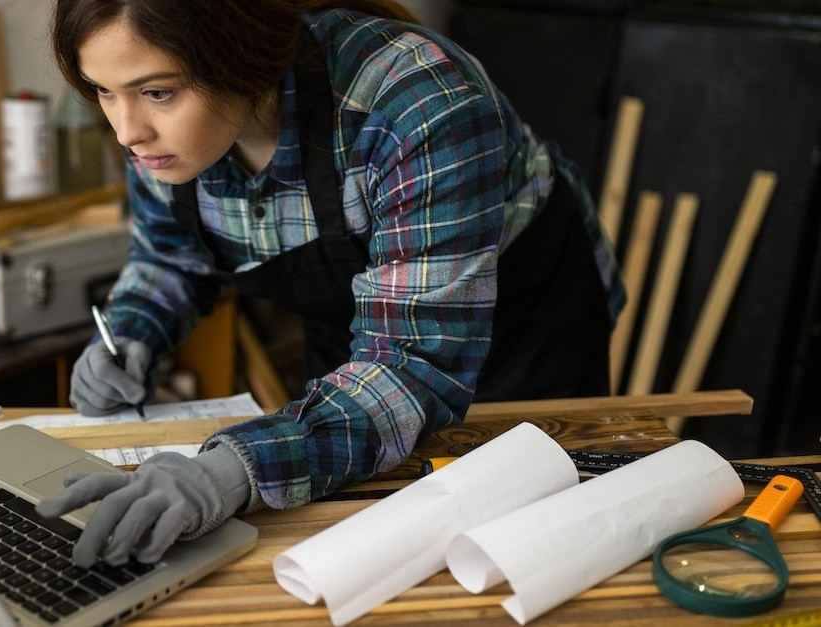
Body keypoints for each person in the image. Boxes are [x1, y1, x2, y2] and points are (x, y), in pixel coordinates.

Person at [35, 0, 625, 569]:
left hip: (519, 332)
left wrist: (232, 469)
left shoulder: (417, 102)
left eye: (157, 92)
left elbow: (410, 363)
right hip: (358, 339)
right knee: (365, 535)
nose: (126, 132)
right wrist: (132, 334)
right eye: (103, 93)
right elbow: (170, 257)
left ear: (241, 54)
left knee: (530, 545)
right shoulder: (163, 139)